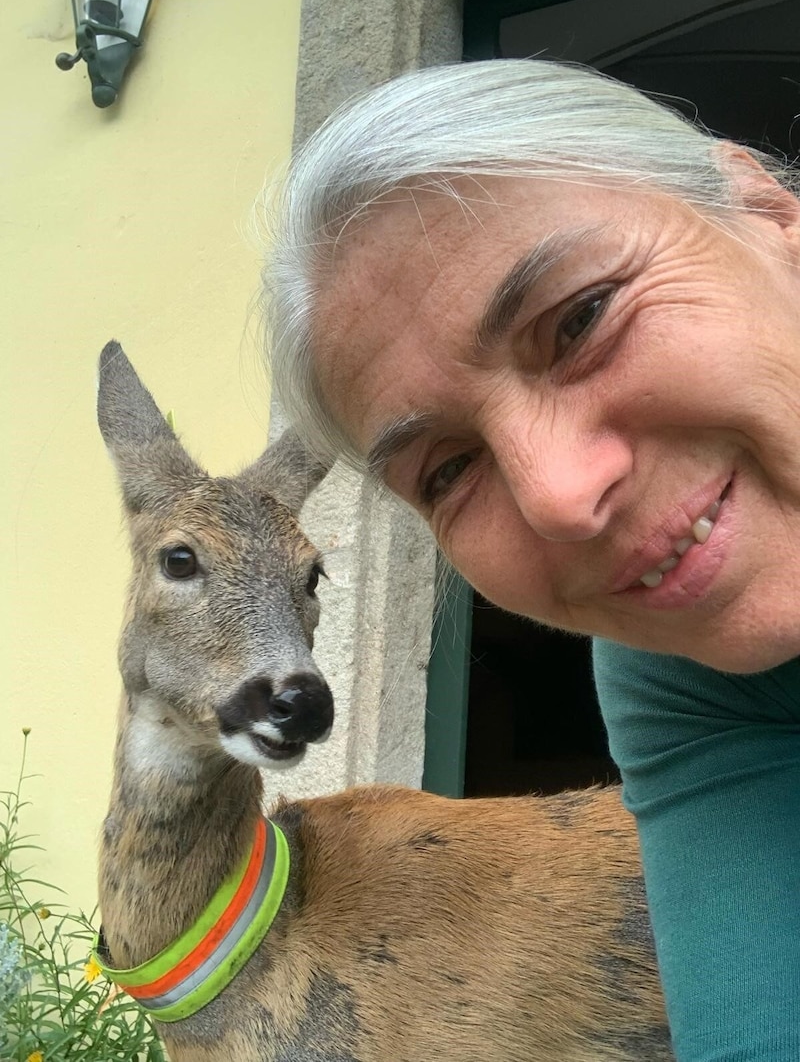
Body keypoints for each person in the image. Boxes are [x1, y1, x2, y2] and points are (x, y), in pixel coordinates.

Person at [261, 59, 800, 1061]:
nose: (557, 497)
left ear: (767, 212)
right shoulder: (673, 664)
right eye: (449, 468)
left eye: (581, 316)